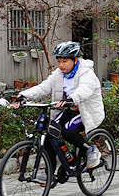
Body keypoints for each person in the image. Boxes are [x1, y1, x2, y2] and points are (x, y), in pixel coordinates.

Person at [14, 41, 105, 183]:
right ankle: (50, 172)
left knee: (67, 132)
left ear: (75, 60)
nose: (61, 65)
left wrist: (72, 98)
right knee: (50, 133)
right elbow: (44, 87)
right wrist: (24, 96)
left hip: (84, 110)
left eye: (65, 61)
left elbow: (85, 89)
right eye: (59, 61)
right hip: (68, 109)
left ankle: (90, 149)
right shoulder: (59, 74)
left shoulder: (86, 73)